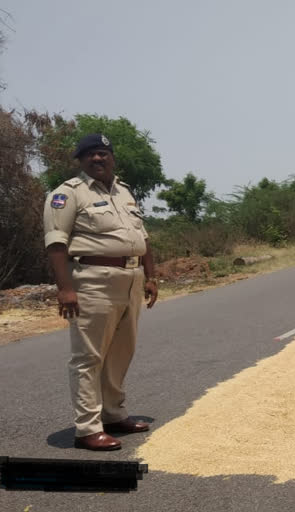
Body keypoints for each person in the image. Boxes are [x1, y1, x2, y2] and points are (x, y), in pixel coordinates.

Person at [43, 134, 159, 451]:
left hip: (131, 278)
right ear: (80, 161)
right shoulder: (68, 194)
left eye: (103, 153)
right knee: (88, 357)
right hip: (92, 280)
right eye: (90, 154)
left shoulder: (124, 193)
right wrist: (65, 288)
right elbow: (56, 243)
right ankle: (87, 429)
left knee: (121, 352)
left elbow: (142, 238)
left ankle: (113, 414)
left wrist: (150, 275)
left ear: (112, 158)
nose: (98, 159)